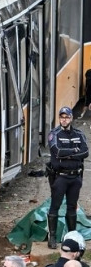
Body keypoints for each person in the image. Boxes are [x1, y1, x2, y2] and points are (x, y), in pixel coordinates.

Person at [47, 105, 89, 248]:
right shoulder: (54, 134)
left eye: (67, 117)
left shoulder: (79, 134)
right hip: (60, 177)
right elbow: (57, 151)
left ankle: (72, 237)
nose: (64, 120)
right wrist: (74, 151)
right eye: (62, 117)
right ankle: (52, 237)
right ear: (59, 118)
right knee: (55, 206)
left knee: (72, 207)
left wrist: (68, 154)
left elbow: (85, 152)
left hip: (75, 177)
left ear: (71, 118)